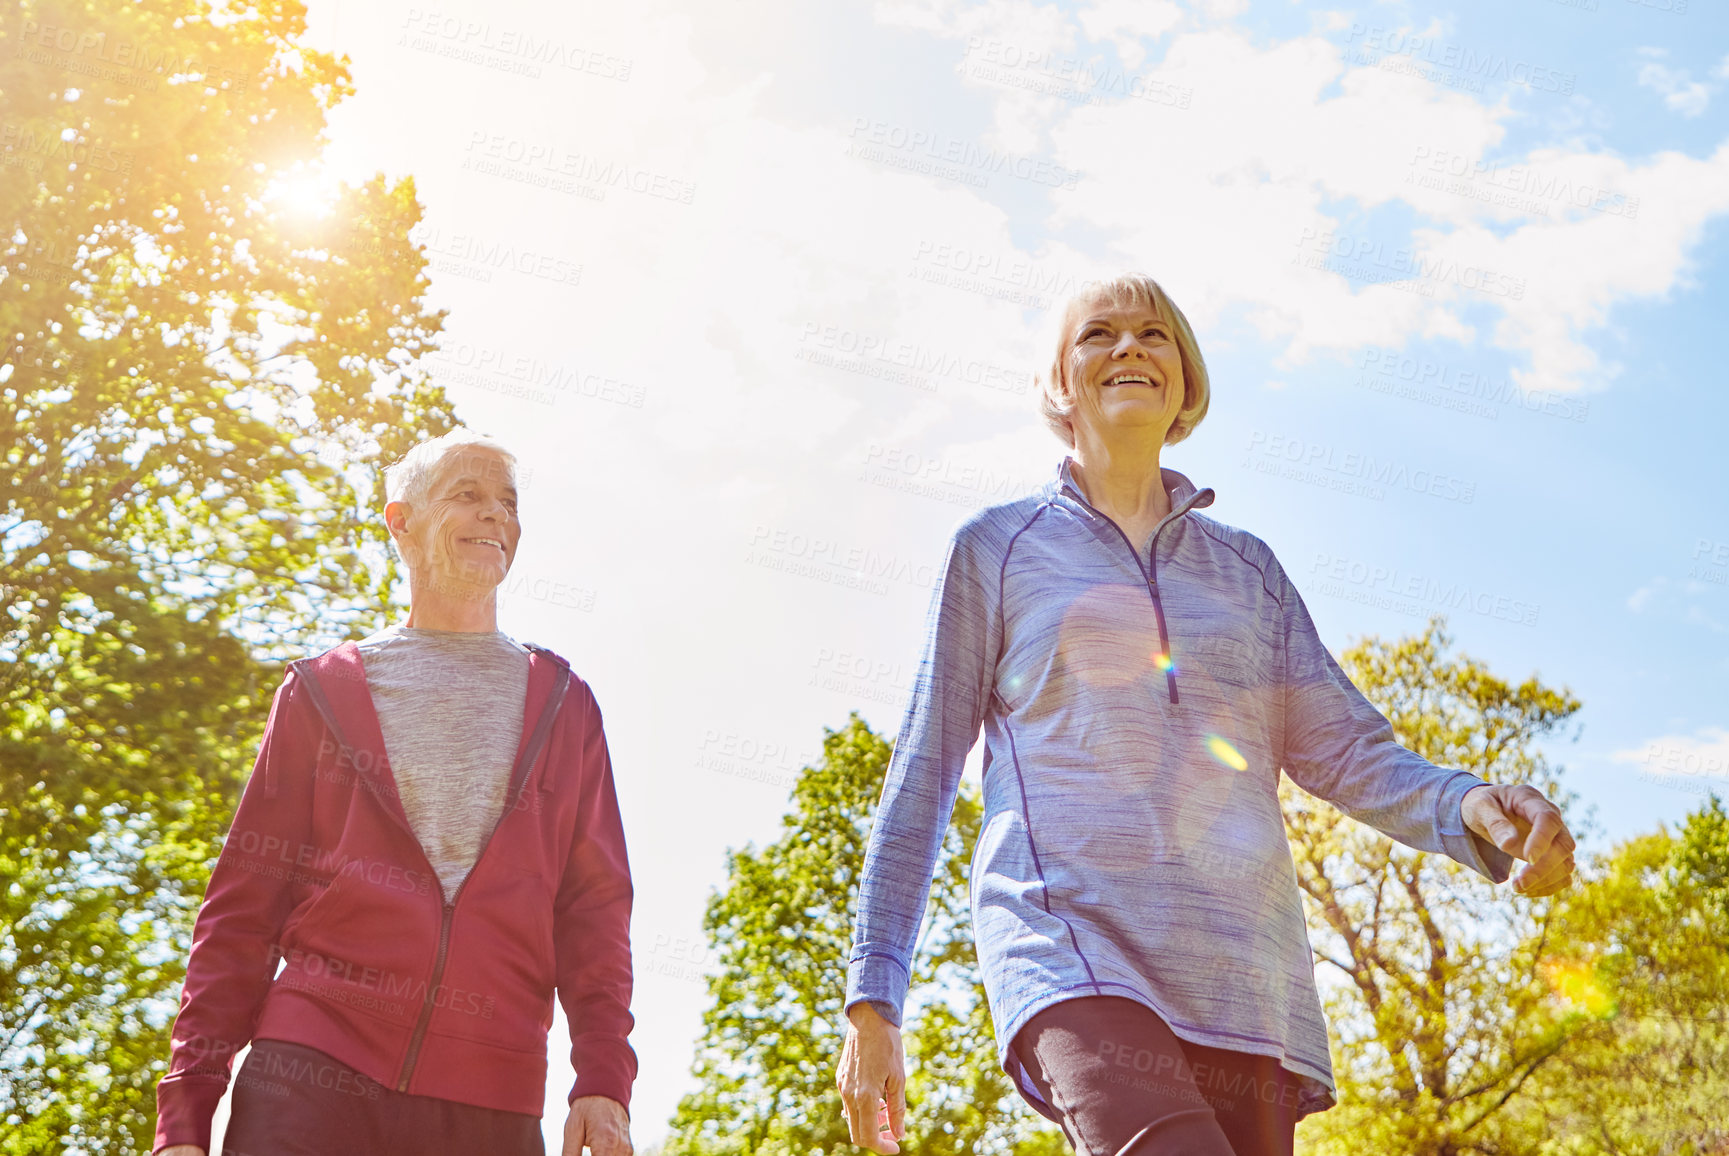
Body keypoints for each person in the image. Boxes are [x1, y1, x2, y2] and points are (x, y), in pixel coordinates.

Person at [835, 274, 1576, 1156]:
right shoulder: (995, 551)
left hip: (1247, 984)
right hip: (1072, 950)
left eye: (1154, 336)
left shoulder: (1247, 571)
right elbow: (921, 771)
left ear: (1184, 381)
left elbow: (1344, 747)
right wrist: (873, 997)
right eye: (1097, 335)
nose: (1128, 349)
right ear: (1057, 385)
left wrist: (1469, 804)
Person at [153, 430, 636, 1156]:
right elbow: (241, 912)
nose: (495, 518)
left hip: (488, 1092)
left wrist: (602, 1080)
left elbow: (593, 909)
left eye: (507, 503)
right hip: (310, 1071)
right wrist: (186, 1117)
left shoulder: (565, 704)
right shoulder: (322, 692)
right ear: (400, 521)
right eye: (467, 496)